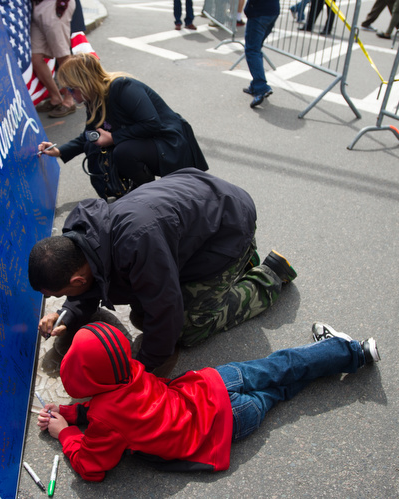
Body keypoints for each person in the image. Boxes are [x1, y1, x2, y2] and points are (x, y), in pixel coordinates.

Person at [28, 168, 296, 375]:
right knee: (142, 315)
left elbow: (167, 310)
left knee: (187, 329)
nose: (63, 297)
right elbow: (92, 278)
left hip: (230, 227)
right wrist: (67, 312)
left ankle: (266, 276)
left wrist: (141, 367)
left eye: (61, 293)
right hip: (202, 208)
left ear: (76, 280)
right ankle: (231, 271)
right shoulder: (80, 237)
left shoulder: (136, 245)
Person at [35, 321, 380, 481]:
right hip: (215, 383)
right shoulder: (132, 369)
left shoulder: (105, 419)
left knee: (282, 392)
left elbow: (92, 466)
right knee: (281, 365)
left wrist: (64, 431)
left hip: (231, 424)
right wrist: (70, 414)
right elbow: (111, 408)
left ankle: (333, 355)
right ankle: (351, 351)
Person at [37, 53, 208, 195]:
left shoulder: (123, 86)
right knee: (94, 146)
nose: (69, 94)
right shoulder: (93, 99)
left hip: (169, 143)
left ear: (83, 83)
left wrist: (113, 137)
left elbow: (152, 123)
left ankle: (148, 193)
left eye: (71, 88)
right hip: (148, 142)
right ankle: (119, 193)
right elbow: (90, 136)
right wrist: (59, 151)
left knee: (123, 151)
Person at [13, 0, 78, 118]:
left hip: (53, 2)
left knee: (63, 55)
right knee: (35, 57)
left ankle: (70, 99)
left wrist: (61, 6)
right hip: (37, 4)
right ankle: (55, 96)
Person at [241, 0, 282, 108]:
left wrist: (251, 5)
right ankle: (255, 84)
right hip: (272, 6)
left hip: (261, 8)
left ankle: (260, 86)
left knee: (252, 49)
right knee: (256, 47)